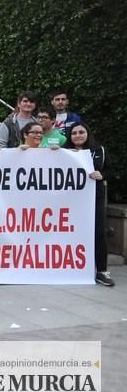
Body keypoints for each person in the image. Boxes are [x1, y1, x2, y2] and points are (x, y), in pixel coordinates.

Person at [64, 122, 113, 286]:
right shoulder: (64, 152)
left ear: (87, 133)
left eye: (81, 132)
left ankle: (101, 271)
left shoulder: (100, 150)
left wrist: (102, 175)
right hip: (69, 200)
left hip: (94, 198)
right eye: (74, 133)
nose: (77, 135)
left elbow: (110, 171)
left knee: (99, 232)